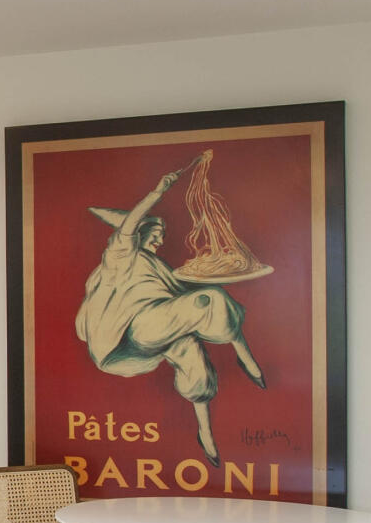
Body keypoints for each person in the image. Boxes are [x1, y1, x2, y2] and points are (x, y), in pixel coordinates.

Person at [76, 155, 266, 463]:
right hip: (139, 329)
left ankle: (205, 433)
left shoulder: (158, 266)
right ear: (138, 234)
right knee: (210, 300)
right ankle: (245, 357)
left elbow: (175, 292)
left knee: (194, 356)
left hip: (158, 329)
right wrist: (156, 193)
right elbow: (128, 228)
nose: (161, 239)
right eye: (155, 233)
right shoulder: (120, 258)